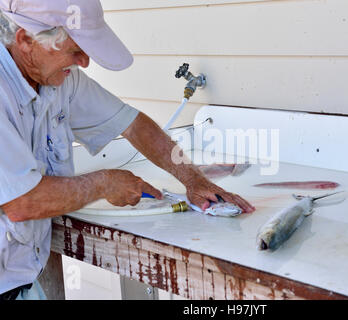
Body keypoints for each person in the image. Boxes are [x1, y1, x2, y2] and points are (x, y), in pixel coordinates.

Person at [0, 0, 255, 300]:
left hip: (23, 280)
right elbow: (21, 203)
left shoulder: (57, 80)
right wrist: (105, 183)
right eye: (74, 50)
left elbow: (132, 124)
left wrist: (193, 179)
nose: (84, 62)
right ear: (26, 40)